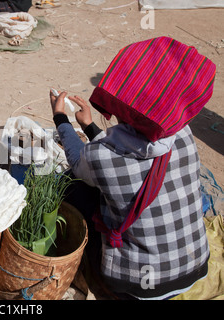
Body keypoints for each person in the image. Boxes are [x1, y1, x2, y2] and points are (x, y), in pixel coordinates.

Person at [50, 36, 215, 300]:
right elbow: (128, 150)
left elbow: (79, 159)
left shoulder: (101, 157)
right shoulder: (184, 135)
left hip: (136, 286)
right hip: (194, 268)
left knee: (71, 185)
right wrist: (90, 127)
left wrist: (61, 119)